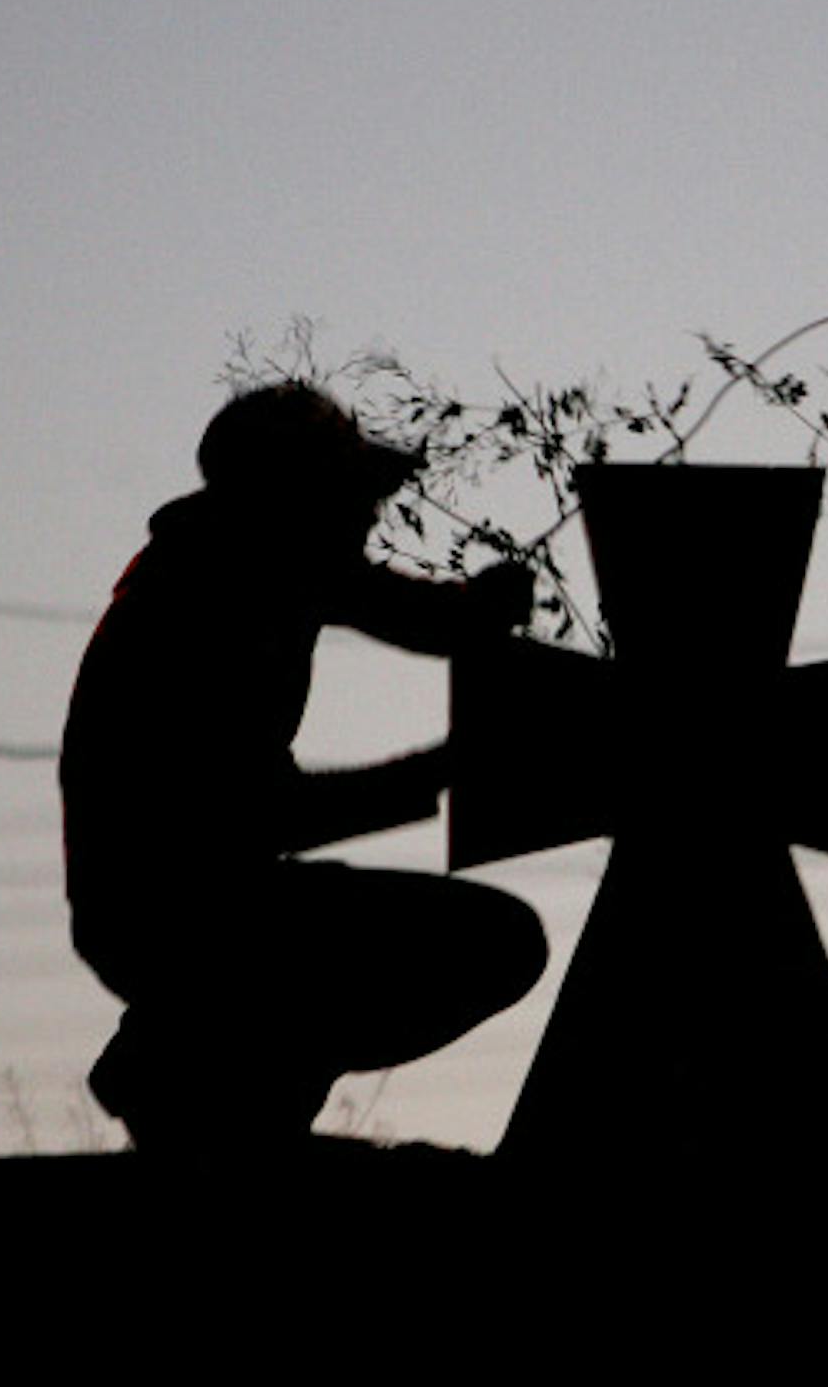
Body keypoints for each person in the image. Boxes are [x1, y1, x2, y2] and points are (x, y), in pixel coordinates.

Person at [60, 382, 546, 1152]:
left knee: (465, 943)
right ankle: (181, 1072)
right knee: (487, 942)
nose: (369, 513)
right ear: (294, 496)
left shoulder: (259, 562)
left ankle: (215, 1091)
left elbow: (413, 613)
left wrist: (479, 611)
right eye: (353, 494)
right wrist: (440, 770)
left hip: (195, 903)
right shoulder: (211, 596)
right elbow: (253, 814)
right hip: (177, 912)